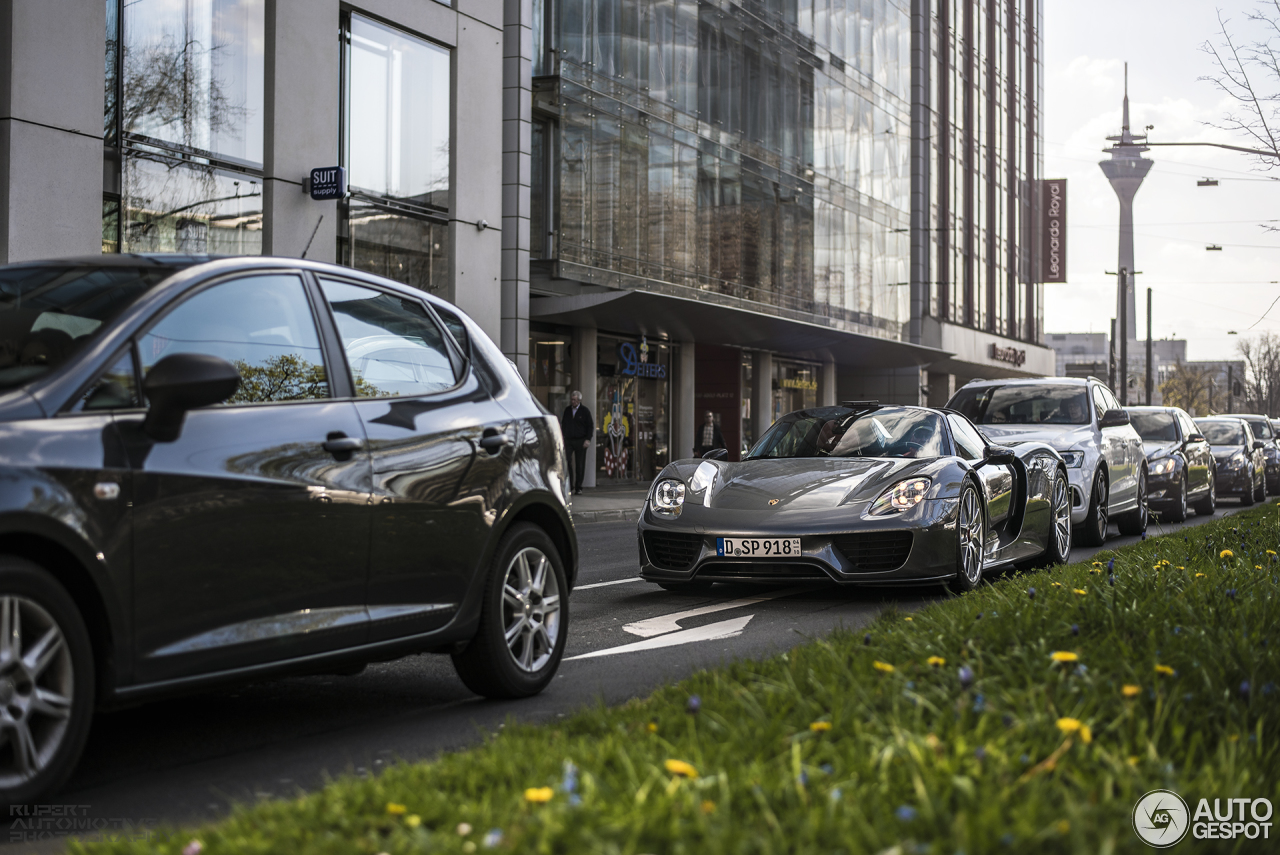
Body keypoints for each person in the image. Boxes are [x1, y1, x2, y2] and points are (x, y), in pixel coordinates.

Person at [561, 391, 593, 495]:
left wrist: (588, 439)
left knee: (580, 464)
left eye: (575, 400)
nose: (573, 401)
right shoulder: (567, 410)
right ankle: (570, 485)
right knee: (567, 460)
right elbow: (563, 424)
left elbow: (590, 426)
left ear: (579, 400)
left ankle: (579, 487)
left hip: (581, 440)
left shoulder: (585, 411)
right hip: (569, 440)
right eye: (572, 399)